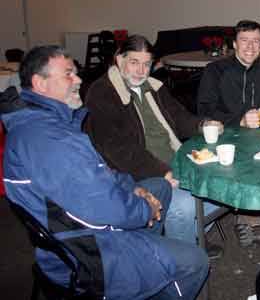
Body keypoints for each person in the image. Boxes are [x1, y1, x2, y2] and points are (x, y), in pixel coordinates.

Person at [2, 46, 208, 300]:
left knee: (159, 187)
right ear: (39, 83)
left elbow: (101, 170)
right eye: (68, 74)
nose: (78, 79)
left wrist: (133, 187)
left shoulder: (48, 122)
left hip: (87, 224)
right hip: (87, 251)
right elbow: (103, 207)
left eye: (76, 73)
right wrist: (143, 208)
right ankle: (145, 270)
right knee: (195, 261)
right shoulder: (49, 141)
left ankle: (147, 266)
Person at [84, 35, 224, 257]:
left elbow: (179, 117)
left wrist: (203, 124)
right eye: (134, 62)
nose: (141, 71)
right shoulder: (102, 93)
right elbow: (119, 150)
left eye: (146, 64)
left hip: (175, 159)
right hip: (136, 174)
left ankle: (186, 233)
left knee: (222, 186)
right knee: (186, 206)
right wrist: (163, 172)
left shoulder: (154, 87)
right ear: (119, 60)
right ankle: (181, 260)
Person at [197, 20, 260, 246]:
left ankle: (253, 212)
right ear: (234, 44)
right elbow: (204, 110)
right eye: (244, 41)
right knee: (250, 158)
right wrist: (238, 119)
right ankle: (246, 219)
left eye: (256, 42)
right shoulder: (216, 70)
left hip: (254, 134)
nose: (250, 47)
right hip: (222, 134)